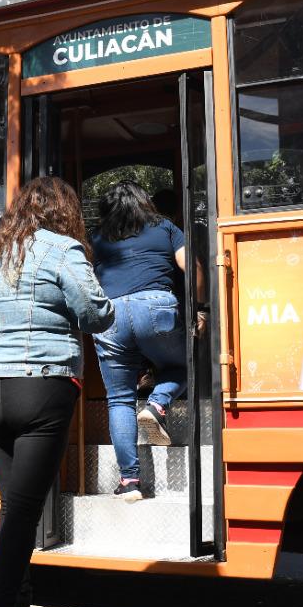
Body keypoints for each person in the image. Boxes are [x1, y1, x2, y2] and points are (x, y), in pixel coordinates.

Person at [0, 177, 113, 607]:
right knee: (24, 511)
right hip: (42, 385)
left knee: (15, 507)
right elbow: (92, 311)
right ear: (64, 212)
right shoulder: (62, 248)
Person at [90, 181, 188, 503]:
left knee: (119, 398)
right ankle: (158, 403)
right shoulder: (165, 227)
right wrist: (201, 308)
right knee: (184, 363)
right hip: (156, 308)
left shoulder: (98, 238)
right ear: (145, 201)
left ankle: (129, 482)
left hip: (111, 316)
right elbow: (192, 268)